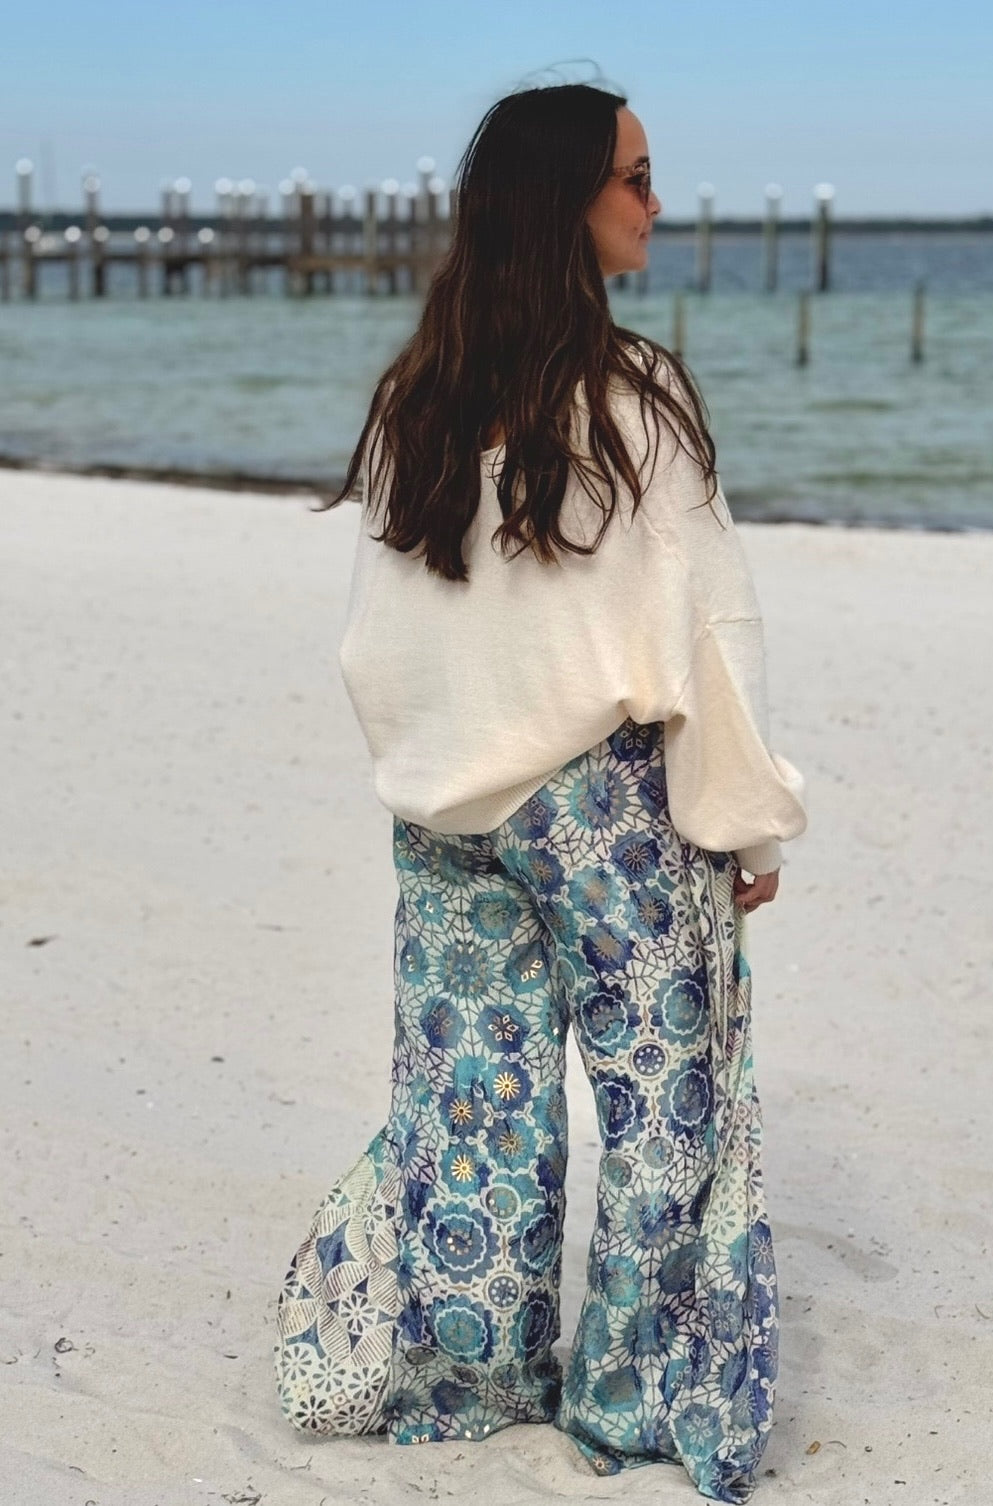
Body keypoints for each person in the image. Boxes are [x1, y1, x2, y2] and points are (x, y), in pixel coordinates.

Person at [271, 78, 808, 1506]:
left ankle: (471, 1377)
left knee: (469, 1102)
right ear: (566, 200)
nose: (656, 201)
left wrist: (434, 774)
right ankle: (631, 1400)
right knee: (664, 1106)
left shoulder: (421, 395)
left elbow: (377, 637)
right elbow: (709, 635)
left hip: (450, 810)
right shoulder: (635, 397)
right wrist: (744, 817)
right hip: (604, 810)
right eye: (635, 177)